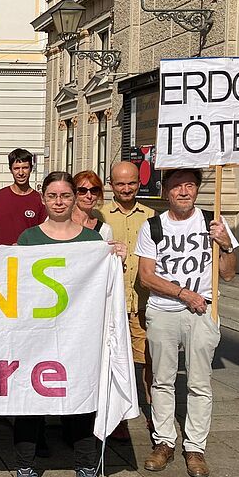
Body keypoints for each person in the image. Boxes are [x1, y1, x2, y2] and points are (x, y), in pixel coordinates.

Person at [13, 171, 125, 477]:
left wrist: (113, 258)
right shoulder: (28, 238)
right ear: (43, 199)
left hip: (79, 338)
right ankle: (26, 474)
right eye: (52, 195)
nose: (59, 201)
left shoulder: (93, 242)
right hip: (37, 339)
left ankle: (86, 475)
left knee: (82, 403)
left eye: (65, 195)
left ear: (74, 198)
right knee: (29, 406)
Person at [136, 168, 238, 477]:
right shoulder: (153, 226)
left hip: (203, 312)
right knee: (163, 379)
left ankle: (195, 447)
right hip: (164, 310)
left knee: (199, 382)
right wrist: (184, 294)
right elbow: (147, 276)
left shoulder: (214, 222)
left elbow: (229, 273)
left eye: (190, 186)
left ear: (197, 190)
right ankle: (164, 441)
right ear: (165, 191)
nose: (184, 192)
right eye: (177, 186)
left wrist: (227, 246)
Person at [100, 161, 156, 439]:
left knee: (148, 361)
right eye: (120, 184)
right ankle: (117, 417)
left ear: (138, 183)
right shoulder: (100, 216)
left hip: (143, 301)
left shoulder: (151, 216)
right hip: (112, 302)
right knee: (112, 362)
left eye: (131, 183)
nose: (126, 189)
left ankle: (153, 414)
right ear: (111, 184)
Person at [0, 148, 45, 245]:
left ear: (31, 169)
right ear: (10, 170)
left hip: (27, 254)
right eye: (16, 168)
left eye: (25, 168)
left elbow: (42, 231)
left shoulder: (40, 199)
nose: (21, 173)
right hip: (0, 255)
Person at [72, 170, 113, 241]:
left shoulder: (105, 230)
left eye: (94, 190)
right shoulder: (59, 222)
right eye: (82, 191)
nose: (89, 196)